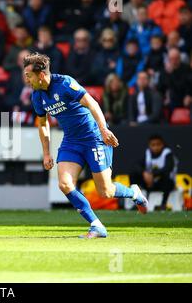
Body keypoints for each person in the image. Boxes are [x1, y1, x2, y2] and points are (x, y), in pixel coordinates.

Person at [25, 52, 148, 238]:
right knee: (65, 184)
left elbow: (92, 103)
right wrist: (46, 153)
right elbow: (43, 124)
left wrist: (104, 130)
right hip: (71, 141)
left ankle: (134, 193)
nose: (26, 79)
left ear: (41, 75)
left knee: (105, 191)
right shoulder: (37, 96)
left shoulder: (65, 84)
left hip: (94, 137)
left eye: (28, 75)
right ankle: (96, 225)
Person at [131, 134, 178, 211]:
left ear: (162, 144)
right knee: (133, 174)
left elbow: (168, 168)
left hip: (164, 183)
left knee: (167, 179)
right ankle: (138, 202)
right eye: (153, 145)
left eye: (158, 144)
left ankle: (163, 204)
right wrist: (144, 173)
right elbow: (136, 165)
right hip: (150, 183)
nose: (156, 147)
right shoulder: (148, 153)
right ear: (149, 145)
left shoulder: (167, 153)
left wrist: (153, 175)